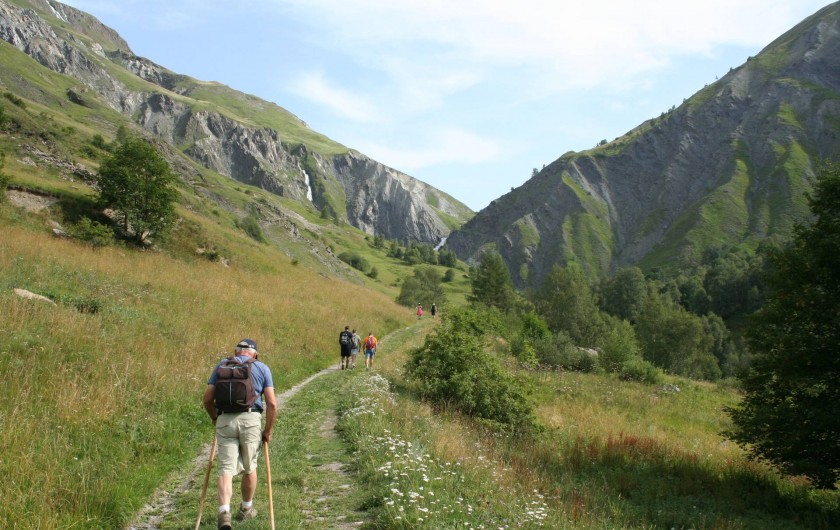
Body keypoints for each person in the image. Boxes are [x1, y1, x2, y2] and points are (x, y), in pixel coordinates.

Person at [203, 339, 277, 530]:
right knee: (249, 466)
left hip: (225, 419)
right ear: (255, 354)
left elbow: (207, 399)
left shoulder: (222, 365)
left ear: (236, 352)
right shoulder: (261, 367)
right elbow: (272, 403)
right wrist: (267, 431)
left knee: (226, 468)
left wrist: (214, 418)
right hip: (250, 420)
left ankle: (224, 513)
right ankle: (246, 508)